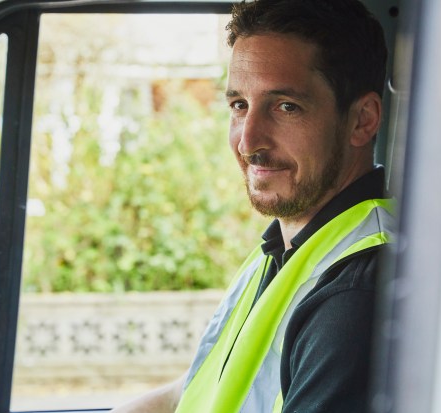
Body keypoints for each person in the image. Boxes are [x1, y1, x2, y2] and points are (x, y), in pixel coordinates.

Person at [112, 0, 394, 411]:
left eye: (285, 107)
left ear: (362, 120)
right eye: (239, 105)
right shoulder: (285, 249)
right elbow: (197, 389)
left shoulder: (354, 291)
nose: (248, 142)